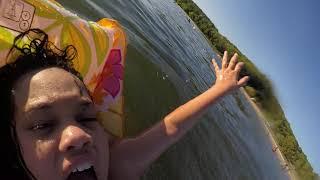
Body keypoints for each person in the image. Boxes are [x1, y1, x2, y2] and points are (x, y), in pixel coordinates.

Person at [0, 29, 249, 180]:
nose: (79, 135)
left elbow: (170, 127)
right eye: (43, 124)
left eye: (87, 118)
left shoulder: (118, 167)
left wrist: (221, 87)